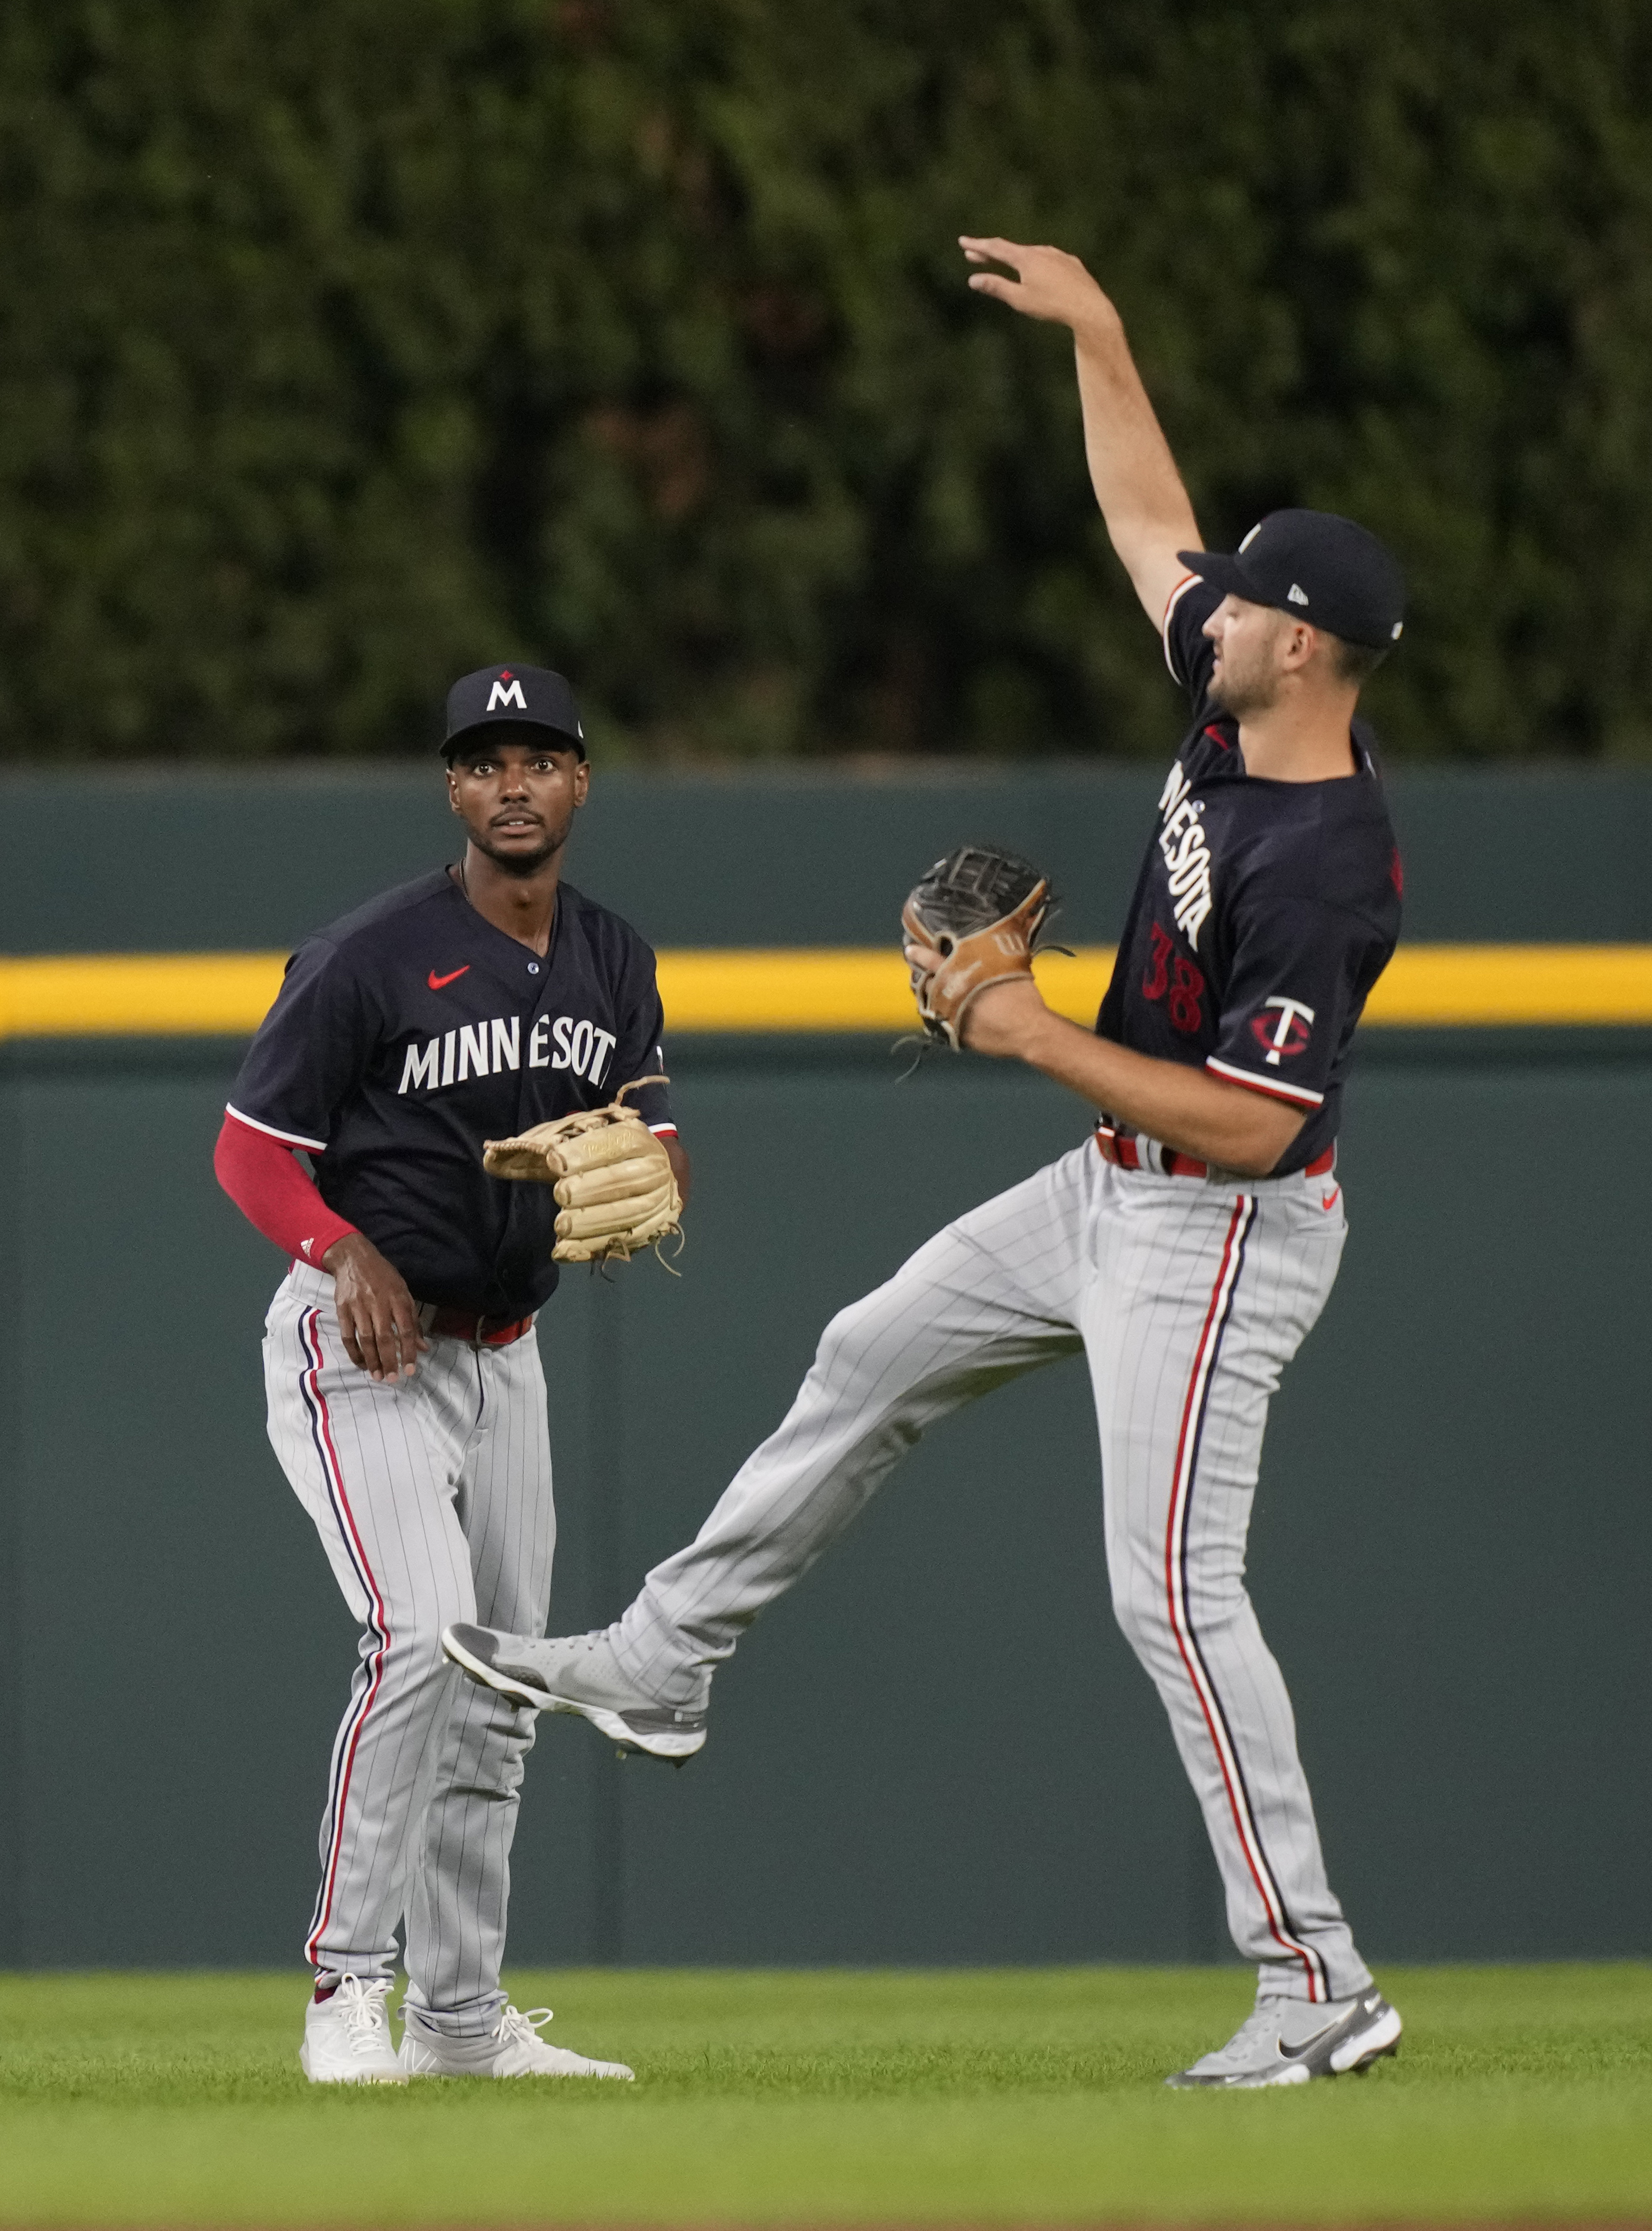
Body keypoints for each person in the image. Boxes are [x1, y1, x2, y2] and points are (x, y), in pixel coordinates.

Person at [445, 238, 1413, 2090]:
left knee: (1174, 1592)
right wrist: (1105, 330)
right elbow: (1152, 522)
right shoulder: (1232, 703)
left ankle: (1316, 1979)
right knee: (866, 1351)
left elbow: (1261, 1119)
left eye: (1241, 605)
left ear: (1303, 643)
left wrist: (1025, 1025)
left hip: (1222, 1231)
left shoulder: (1326, 864)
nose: (1200, 607)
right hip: (1111, 1191)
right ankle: (665, 1658)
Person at [214, 663, 686, 2085]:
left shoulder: (614, 958)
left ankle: (464, 2020)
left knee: (502, 1689)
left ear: (580, 783)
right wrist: (340, 1246)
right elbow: (250, 1146)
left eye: (541, 756)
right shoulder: (366, 954)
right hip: (361, 1344)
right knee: (420, 1636)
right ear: (454, 792)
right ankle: (345, 1988)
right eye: (485, 762)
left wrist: (656, 1166)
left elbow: (650, 1123)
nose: (515, 783)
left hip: (507, 1353)